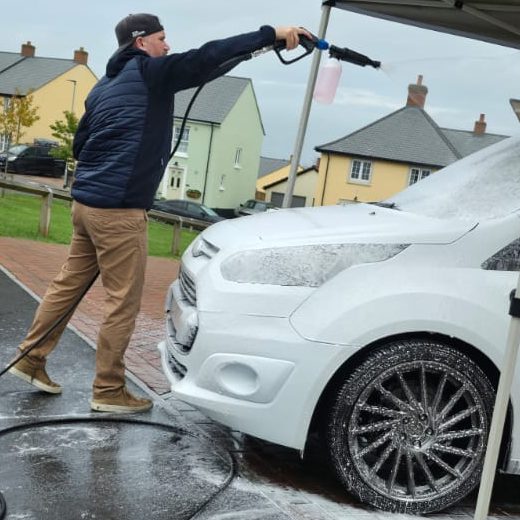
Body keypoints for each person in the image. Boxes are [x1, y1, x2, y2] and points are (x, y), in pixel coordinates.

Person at [8, 13, 311, 413]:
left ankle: (31, 360)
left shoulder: (104, 86)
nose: (167, 46)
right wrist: (271, 34)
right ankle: (108, 390)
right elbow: (207, 56)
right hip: (119, 212)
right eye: (162, 38)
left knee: (67, 287)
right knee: (122, 301)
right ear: (141, 42)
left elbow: (81, 146)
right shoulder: (152, 74)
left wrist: (262, 48)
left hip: (86, 206)